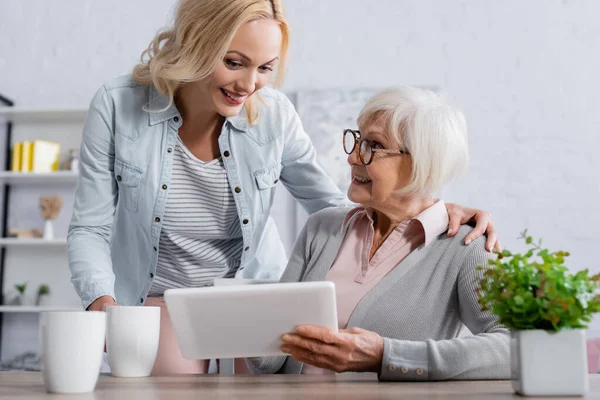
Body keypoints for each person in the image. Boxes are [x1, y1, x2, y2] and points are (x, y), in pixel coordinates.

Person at [68, 0, 500, 375]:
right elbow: (90, 227)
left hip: (250, 293)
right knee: (170, 386)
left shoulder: (273, 113)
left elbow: (333, 206)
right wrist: (103, 306)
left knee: (261, 386)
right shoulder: (117, 105)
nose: (249, 84)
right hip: (158, 296)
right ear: (196, 44)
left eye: (265, 68)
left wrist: (427, 207)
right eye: (234, 62)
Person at [246, 87, 510, 380]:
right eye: (357, 140)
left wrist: (387, 356)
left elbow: (512, 347)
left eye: (373, 145)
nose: (353, 157)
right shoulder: (321, 228)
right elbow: (268, 359)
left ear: (422, 162)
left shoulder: (465, 246)